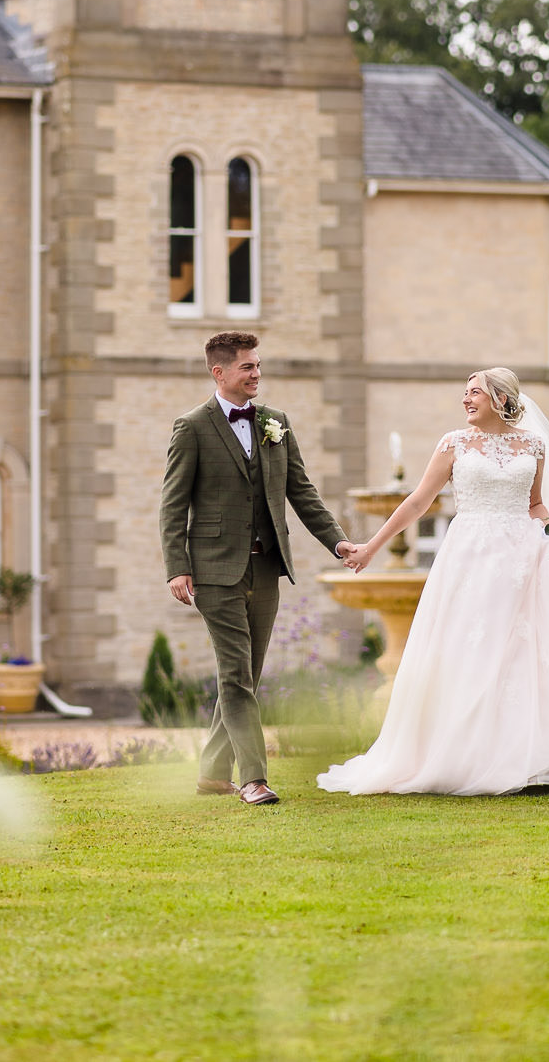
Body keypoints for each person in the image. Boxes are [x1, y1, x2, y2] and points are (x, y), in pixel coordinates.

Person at [317, 368, 549, 796]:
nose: (466, 400)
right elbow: (419, 501)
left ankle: (538, 762)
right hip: (471, 556)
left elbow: (536, 506)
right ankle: (464, 757)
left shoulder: (533, 444)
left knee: (526, 653)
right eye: (465, 393)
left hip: (526, 558)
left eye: (474, 393)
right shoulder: (453, 444)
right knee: (474, 650)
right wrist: (371, 547)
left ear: (500, 398)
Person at [159, 331, 363, 806]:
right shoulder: (191, 427)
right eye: (247, 367)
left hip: (266, 567)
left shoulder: (276, 423)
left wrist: (338, 542)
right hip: (212, 570)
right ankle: (252, 778)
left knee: (245, 675)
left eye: (257, 365)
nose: (256, 374)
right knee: (234, 674)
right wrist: (177, 567)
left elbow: (302, 492)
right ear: (220, 372)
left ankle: (212, 773)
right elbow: (173, 505)